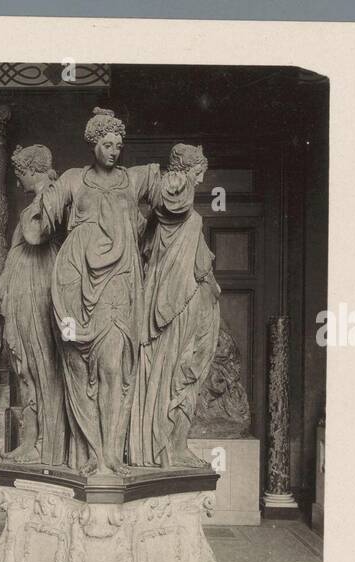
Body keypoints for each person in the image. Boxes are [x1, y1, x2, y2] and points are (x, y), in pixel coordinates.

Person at [21, 107, 164, 475]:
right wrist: (41, 203)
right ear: (93, 144)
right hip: (73, 283)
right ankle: (90, 453)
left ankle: (111, 454)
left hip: (118, 284)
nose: (113, 151)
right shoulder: (73, 179)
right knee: (78, 366)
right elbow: (41, 224)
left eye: (118, 144)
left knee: (114, 367)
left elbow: (171, 198)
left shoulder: (133, 180)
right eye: (106, 144)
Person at [129, 144, 222, 468]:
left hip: (178, 301)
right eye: (198, 172)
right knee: (179, 374)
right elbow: (169, 196)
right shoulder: (178, 206)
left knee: (177, 374)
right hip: (177, 304)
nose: (201, 178)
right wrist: (174, 178)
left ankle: (169, 445)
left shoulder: (176, 216)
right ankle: (170, 447)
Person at [0, 144, 66, 464]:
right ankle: (31, 439)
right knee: (26, 368)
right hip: (24, 286)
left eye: (20, 174)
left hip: (39, 285)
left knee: (43, 366)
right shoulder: (40, 199)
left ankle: (46, 446)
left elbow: (38, 235)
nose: (18, 181)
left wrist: (41, 200)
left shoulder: (50, 196)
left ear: (32, 170)